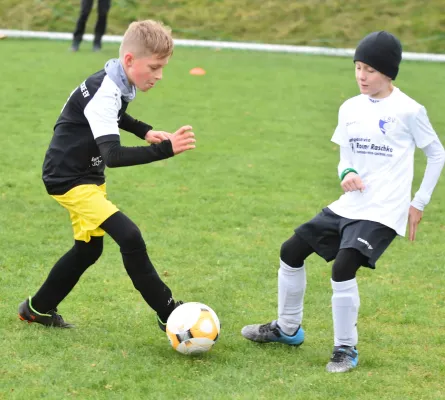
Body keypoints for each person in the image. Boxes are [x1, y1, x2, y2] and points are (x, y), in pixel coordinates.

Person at [241, 31, 445, 373]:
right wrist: (346, 171)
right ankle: (287, 328)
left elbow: (437, 154)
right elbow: (344, 156)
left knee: (343, 266)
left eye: (370, 70)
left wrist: (418, 202)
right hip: (351, 203)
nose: (362, 76)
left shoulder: (410, 110)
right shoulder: (349, 108)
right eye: (358, 67)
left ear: (389, 73)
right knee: (290, 251)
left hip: (384, 209)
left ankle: (345, 349)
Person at [18, 20, 196, 331]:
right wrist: (166, 150)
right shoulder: (105, 91)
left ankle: (37, 308)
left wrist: (145, 131)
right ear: (130, 60)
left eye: (162, 68)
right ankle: (168, 311)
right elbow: (113, 156)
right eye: (154, 67)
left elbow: (116, 112)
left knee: (88, 248)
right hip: (69, 178)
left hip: (85, 173)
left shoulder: (116, 81)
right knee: (129, 235)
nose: (159, 76)